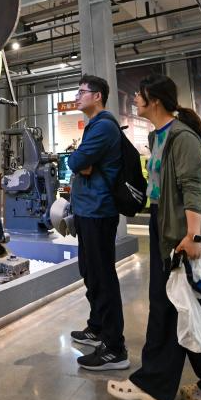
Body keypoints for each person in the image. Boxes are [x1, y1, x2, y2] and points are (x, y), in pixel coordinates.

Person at [108, 74, 201, 400]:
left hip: (184, 235)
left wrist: (193, 236)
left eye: (139, 95)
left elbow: (193, 188)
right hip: (165, 228)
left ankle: (168, 386)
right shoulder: (158, 137)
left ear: (154, 100)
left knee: (186, 309)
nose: (134, 100)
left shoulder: (182, 138)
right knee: (180, 308)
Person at [65, 73, 127, 371]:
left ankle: (115, 348)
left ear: (97, 96)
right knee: (90, 272)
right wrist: (80, 161)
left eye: (81, 92)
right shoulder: (94, 125)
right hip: (88, 210)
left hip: (99, 211)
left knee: (103, 277)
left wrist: (77, 160)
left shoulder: (103, 126)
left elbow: (76, 161)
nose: (77, 97)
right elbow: (81, 163)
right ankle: (98, 327)